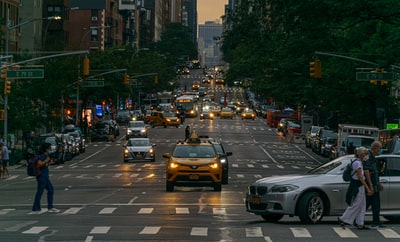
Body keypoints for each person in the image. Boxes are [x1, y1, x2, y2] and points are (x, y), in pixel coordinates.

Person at [338, 146, 373, 230]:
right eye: (365, 154)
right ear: (361, 154)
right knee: (357, 204)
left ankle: (360, 223)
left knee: (362, 205)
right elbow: (360, 177)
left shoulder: (359, 162)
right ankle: (343, 218)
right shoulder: (357, 163)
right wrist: (367, 188)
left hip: (358, 185)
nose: (366, 155)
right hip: (358, 186)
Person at [31, 142, 60, 214]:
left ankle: (50, 207)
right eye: (49, 147)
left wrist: (50, 162)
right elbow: (39, 164)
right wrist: (46, 161)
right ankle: (36, 208)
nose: (51, 148)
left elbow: (45, 164)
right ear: (46, 148)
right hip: (42, 176)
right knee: (40, 192)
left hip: (45, 176)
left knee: (50, 190)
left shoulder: (46, 155)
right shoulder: (42, 155)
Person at [364, 141, 385, 229]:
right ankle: (355, 218)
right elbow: (367, 171)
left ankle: (376, 221)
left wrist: (378, 183)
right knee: (366, 204)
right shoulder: (368, 157)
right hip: (370, 185)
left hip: (375, 185)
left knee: (376, 204)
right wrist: (371, 185)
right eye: (379, 149)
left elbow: (375, 172)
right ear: (376, 148)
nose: (380, 151)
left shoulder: (374, 158)